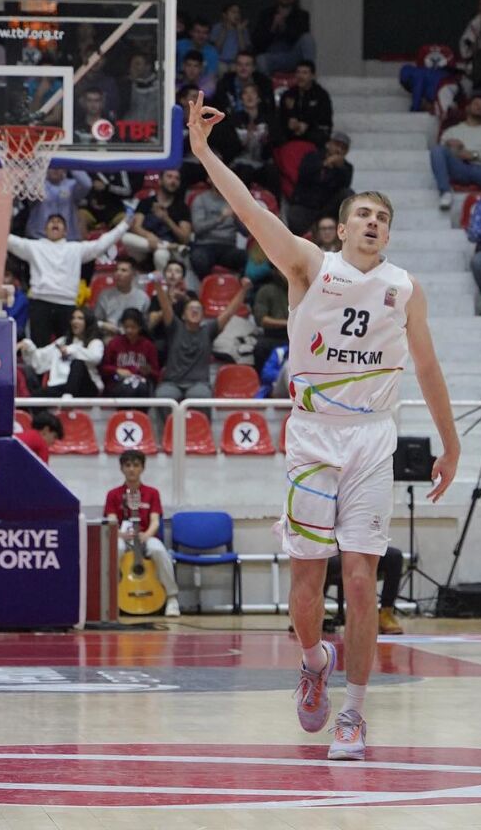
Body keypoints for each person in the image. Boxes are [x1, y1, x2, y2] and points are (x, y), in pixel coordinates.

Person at [186, 90, 459, 762]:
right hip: (312, 433)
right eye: (362, 214)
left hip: (372, 436)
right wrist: (201, 149)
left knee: (361, 578)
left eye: (382, 218)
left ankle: (356, 714)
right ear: (341, 228)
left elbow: (427, 368)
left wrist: (452, 445)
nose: (372, 222)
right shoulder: (310, 263)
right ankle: (313, 660)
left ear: (389, 235)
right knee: (308, 581)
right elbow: (250, 210)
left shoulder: (405, 288)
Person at [7, 214, 128, 347]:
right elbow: (8, 240)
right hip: (40, 303)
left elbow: (101, 244)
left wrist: (125, 225)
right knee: (38, 349)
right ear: (45, 229)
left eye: (59, 222)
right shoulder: (34, 246)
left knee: (68, 349)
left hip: (67, 304)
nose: (55, 223)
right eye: (51, 221)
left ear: (65, 231)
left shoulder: (76, 248)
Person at [150, 276, 251, 425]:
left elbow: (229, 312)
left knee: (201, 396)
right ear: (183, 315)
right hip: (172, 382)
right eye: (191, 309)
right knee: (162, 396)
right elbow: (165, 307)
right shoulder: (175, 327)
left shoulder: (208, 330)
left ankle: (201, 435)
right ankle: (168, 435)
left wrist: (244, 289)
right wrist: (158, 286)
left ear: (203, 315)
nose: (195, 311)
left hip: (198, 384)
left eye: (198, 309)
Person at [104, 449, 181, 618]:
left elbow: (155, 521)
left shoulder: (152, 493)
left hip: (146, 536)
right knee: (115, 549)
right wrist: (120, 534)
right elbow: (111, 521)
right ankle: (112, 599)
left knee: (159, 550)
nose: (132, 469)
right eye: (128, 465)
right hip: (123, 538)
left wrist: (146, 535)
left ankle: (172, 598)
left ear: (142, 468)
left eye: (136, 465)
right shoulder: (113, 494)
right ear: (122, 468)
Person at [429, 95, 481, 211]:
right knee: (437, 150)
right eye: (476, 104)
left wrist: (475, 155)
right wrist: (450, 147)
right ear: (467, 108)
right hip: (459, 168)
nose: (479, 108)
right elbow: (441, 155)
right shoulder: (452, 131)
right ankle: (445, 192)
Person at [19, 307, 104, 398]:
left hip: (86, 386)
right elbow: (40, 358)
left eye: (80, 318)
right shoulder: (63, 341)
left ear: (88, 321)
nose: (75, 321)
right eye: (73, 318)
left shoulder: (95, 342)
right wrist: (28, 346)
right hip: (61, 385)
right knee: (36, 396)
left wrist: (71, 350)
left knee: (77, 363)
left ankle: (67, 399)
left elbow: (95, 358)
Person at [123, 169, 192, 273]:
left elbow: (185, 239)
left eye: (177, 178)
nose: (173, 181)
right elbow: (135, 227)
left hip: (169, 253)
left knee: (160, 253)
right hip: (145, 246)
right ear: (160, 180)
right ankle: (167, 246)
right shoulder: (146, 202)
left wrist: (166, 219)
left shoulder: (182, 208)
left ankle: (162, 285)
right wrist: (149, 235)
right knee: (125, 237)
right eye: (169, 177)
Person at [286, 131, 354, 235]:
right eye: (337, 145)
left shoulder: (346, 168)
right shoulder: (312, 157)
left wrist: (339, 169)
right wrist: (325, 164)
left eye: (343, 148)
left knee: (348, 195)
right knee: (295, 218)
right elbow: (304, 174)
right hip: (306, 205)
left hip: (326, 208)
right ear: (329, 144)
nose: (339, 150)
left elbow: (344, 187)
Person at [189, 177, 248, 278]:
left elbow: (245, 233)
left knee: (245, 258)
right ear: (209, 180)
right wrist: (220, 219)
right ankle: (207, 288)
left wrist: (236, 218)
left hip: (228, 246)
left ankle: (242, 290)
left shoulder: (235, 202)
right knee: (198, 259)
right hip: (205, 245)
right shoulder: (201, 200)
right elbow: (197, 228)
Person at [253, 0, 314, 74]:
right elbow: (258, 42)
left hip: (292, 55)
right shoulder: (265, 14)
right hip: (272, 56)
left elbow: (300, 37)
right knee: (260, 59)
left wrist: (283, 26)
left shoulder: (302, 15)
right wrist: (273, 27)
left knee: (307, 38)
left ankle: (309, 76)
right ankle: (266, 86)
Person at [100, 308, 160, 398]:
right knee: (126, 390)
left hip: (141, 385)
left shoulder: (148, 346)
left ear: (140, 327)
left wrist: (149, 371)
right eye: (126, 327)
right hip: (118, 384)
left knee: (141, 388)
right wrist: (116, 370)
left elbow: (156, 373)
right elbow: (104, 368)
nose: (129, 331)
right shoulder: (114, 343)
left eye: (133, 327)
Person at [277, 60, 333, 150]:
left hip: (313, 134)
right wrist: (289, 123)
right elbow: (281, 117)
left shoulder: (321, 95)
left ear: (313, 76)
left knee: (319, 136)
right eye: (298, 72)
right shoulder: (288, 94)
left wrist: (307, 125)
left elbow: (325, 121)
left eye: (305, 73)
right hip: (291, 134)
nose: (300, 76)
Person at [92, 259, 150, 339]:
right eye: (116, 270)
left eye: (123, 270)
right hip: (110, 335)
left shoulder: (143, 297)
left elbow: (145, 324)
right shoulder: (105, 295)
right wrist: (104, 325)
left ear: (133, 274)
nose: (118, 273)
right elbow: (95, 321)